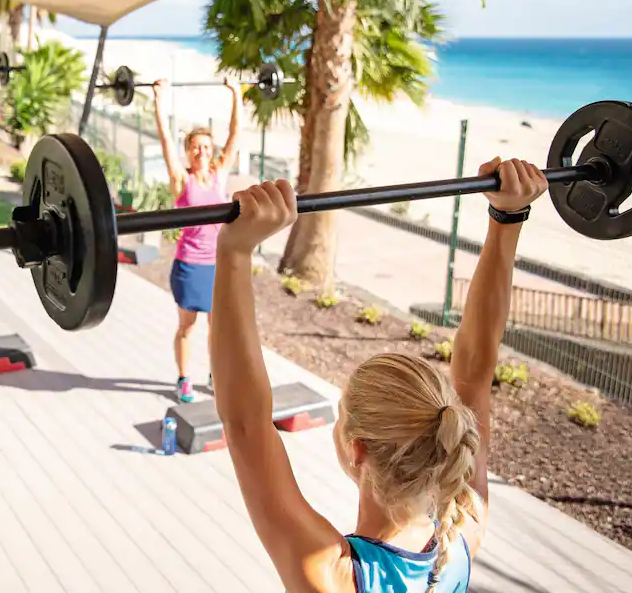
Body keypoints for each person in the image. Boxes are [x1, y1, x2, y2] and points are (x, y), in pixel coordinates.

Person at [209, 158, 548, 593]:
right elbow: (476, 373)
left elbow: (246, 425)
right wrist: (509, 217)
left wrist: (235, 252)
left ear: (357, 449)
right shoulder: (463, 532)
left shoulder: (338, 576)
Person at [152, 75, 240, 402]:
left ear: (211, 150)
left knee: (218, 329)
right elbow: (165, 139)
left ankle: (215, 375)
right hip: (189, 266)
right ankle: (183, 378)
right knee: (187, 327)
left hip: (218, 266)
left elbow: (235, 136)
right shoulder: (181, 180)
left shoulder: (219, 176)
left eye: (205, 146)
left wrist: (236, 93)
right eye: (195, 147)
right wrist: (159, 100)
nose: (201, 151)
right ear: (188, 152)